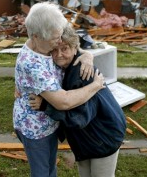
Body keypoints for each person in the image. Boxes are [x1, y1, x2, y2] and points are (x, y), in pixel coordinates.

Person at [13, 2, 105, 177]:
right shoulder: (33, 65)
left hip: (49, 122)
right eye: (55, 38)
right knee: (42, 172)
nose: (59, 41)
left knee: (51, 168)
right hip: (35, 128)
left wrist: (87, 54)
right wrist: (96, 85)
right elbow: (64, 101)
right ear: (36, 36)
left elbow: (70, 44)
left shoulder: (41, 43)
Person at [32, 24, 126, 177]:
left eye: (65, 49)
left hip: (102, 136)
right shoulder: (64, 68)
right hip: (87, 139)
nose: (59, 54)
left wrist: (46, 105)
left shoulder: (83, 73)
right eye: (54, 50)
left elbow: (79, 117)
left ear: (75, 48)